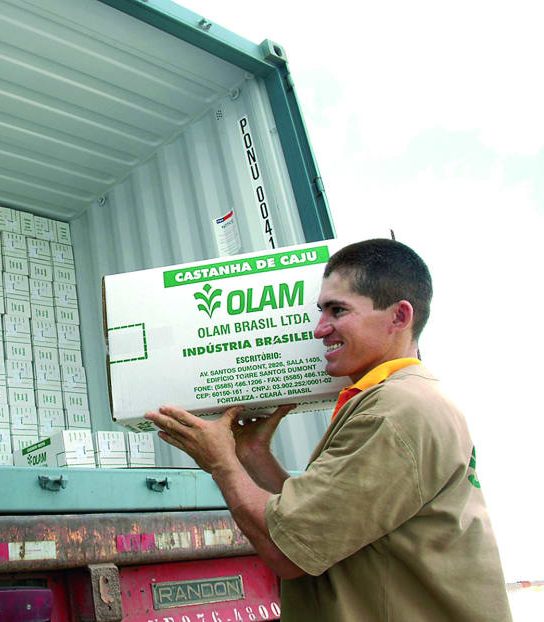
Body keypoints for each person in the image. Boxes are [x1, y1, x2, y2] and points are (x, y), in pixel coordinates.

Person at [145, 239, 512, 621]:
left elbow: (288, 551)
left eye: (337, 311)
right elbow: (319, 525)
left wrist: (222, 464)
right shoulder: (408, 400)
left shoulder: (395, 412)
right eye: (322, 311)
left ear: (400, 317)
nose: (320, 330)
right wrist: (253, 456)